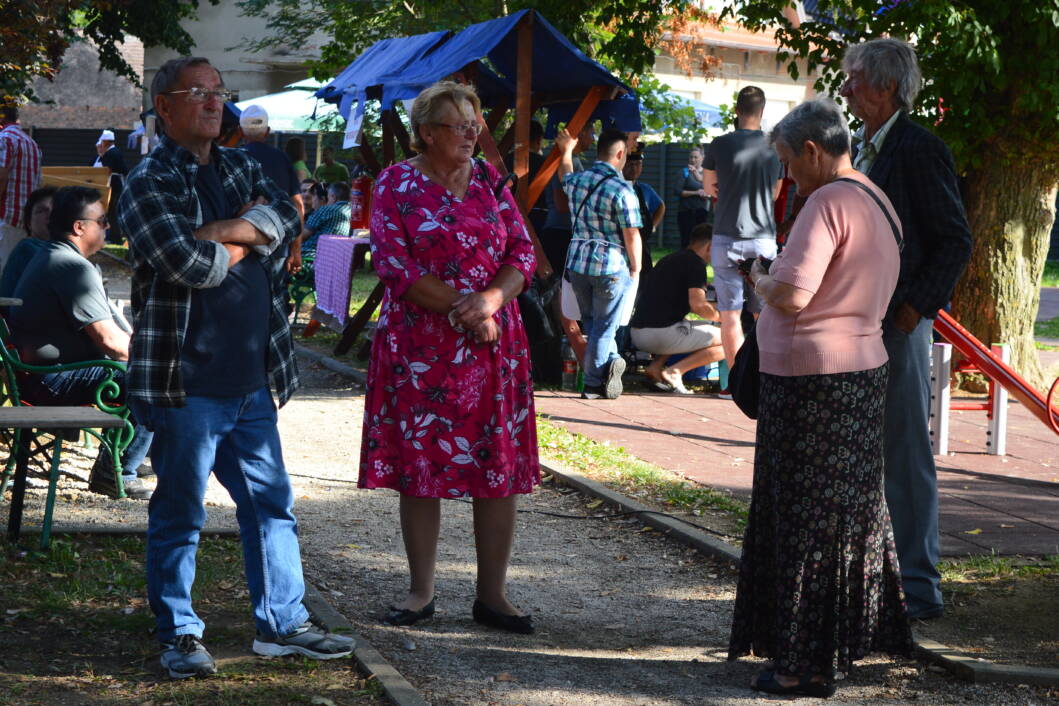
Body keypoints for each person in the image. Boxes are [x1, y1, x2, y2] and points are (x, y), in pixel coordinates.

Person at [117, 56, 352, 679]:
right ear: (163, 106)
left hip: (251, 378)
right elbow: (184, 263)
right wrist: (249, 237)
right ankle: (180, 634)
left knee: (271, 504)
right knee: (181, 512)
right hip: (185, 381)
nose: (212, 101)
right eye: (197, 92)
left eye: (218, 91)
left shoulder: (241, 164)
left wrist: (222, 232)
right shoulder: (147, 179)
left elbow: (288, 213)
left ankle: (282, 624)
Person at [727, 98, 913, 698]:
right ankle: (832, 649)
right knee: (845, 516)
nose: (786, 175)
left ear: (811, 151)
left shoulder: (826, 201)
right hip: (859, 371)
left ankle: (800, 665)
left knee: (802, 521)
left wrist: (758, 278)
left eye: (786, 161)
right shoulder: (875, 197)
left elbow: (793, 295)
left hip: (811, 381)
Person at [359, 80, 539, 634]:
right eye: (457, 124)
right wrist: (468, 312)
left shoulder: (490, 179)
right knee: (421, 468)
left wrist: (491, 300)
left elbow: (522, 250)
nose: (469, 132)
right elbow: (393, 265)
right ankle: (421, 592)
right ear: (426, 133)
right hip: (422, 350)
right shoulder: (395, 183)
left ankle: (493, 596)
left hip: (494, 348)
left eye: (474, 123)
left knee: (497, 467)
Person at [840, 38, 972, 621]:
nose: (845, 90)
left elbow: (953, 240)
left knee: (905, 449)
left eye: (854, 79)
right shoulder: (865, 146)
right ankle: (875, 578)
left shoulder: (919, 148)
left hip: (895, 325)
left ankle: (920, 585)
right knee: (861, 450)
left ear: (887, 86)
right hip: (858, 323)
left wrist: (912, 311)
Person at [8, 186, 154, 499]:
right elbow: (110, 342)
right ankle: (115, 472)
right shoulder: (72, 267)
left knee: (139, 371)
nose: (108, 227)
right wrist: (158, 357)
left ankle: (132, 458)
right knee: (151, 378)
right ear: (79, 227)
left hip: (38, 376)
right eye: (102, 221)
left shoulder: (51, 255)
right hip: (52, 380)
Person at [703, 86, 785, 382]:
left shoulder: (719, 144)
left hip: (725, 236)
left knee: (730, 315)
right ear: (762, 113)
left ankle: (736, 381)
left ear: (736, 110)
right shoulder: (775, 147)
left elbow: (708, 186)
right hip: (762, 239)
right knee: (764, 315)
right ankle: (765, 376)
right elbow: (776, 194)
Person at [557, 127, 642, 400]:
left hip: (577, 263)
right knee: (606, 326)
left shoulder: (579, 181)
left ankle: (612, 361)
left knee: (593, 323)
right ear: (620, 154)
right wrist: (636, 266)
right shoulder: (622, 189)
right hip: (610, 264)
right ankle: (593, 384)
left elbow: (564, 176)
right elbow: (632, 233)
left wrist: (567, 151)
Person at [630, 222, 723, 394]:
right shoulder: (696, 264)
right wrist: (723, 317)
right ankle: (675, 372)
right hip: (658, 335)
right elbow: (698, 306)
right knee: (729, 340)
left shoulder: (671, 258)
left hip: (637, 332)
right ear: (710, 246)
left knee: (683, 321)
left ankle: (655, 368)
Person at [538, 123, 594, 273]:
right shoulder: (565, 162)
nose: (593, 140)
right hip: (559, 233)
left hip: (565, 231)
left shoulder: (573, 160)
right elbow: (561, 203)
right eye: (592, 134)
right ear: (581, 134)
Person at [0, 105, 43, 269]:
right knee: (17, 271)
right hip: (25, 219)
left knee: (4, 272)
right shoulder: (32, 143)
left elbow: (1, 176)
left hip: (5, 218)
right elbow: (38, 182)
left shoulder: (3, 138)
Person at [0, 186, 56, 298]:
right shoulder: (28, 249)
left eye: (56, 210)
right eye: (41, 211)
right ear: (29, 223)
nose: (49, 215)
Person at [287, 181, 351, 275]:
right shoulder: (352, 211)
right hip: (336, 263)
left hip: (310, 259)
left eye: (328, 196)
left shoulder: (326, 210)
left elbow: (301, 235)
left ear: (333, 197)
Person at [622, 142, 663, 277]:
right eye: (630, 164)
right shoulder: (617, 187)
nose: (634, 168)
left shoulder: (644, 189)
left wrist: (653, 226)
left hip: (642, 246)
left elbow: (661, 206)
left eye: (638, 164)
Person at [502, 118, 547, 235]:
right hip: (539, 216)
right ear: (538, 140)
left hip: (508, 213)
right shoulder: (544, 163)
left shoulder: (506, 159)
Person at [675, 147, 708, 248]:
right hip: (686, 211)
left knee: (701, 240)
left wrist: (707, 194)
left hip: (702, 212)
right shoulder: (684, 172)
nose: (693, 160)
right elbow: (677, 191)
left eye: (696, 157)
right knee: (686, 241)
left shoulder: (707, 174)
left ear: (703, 158)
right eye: (691, 157)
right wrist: (696, 193)